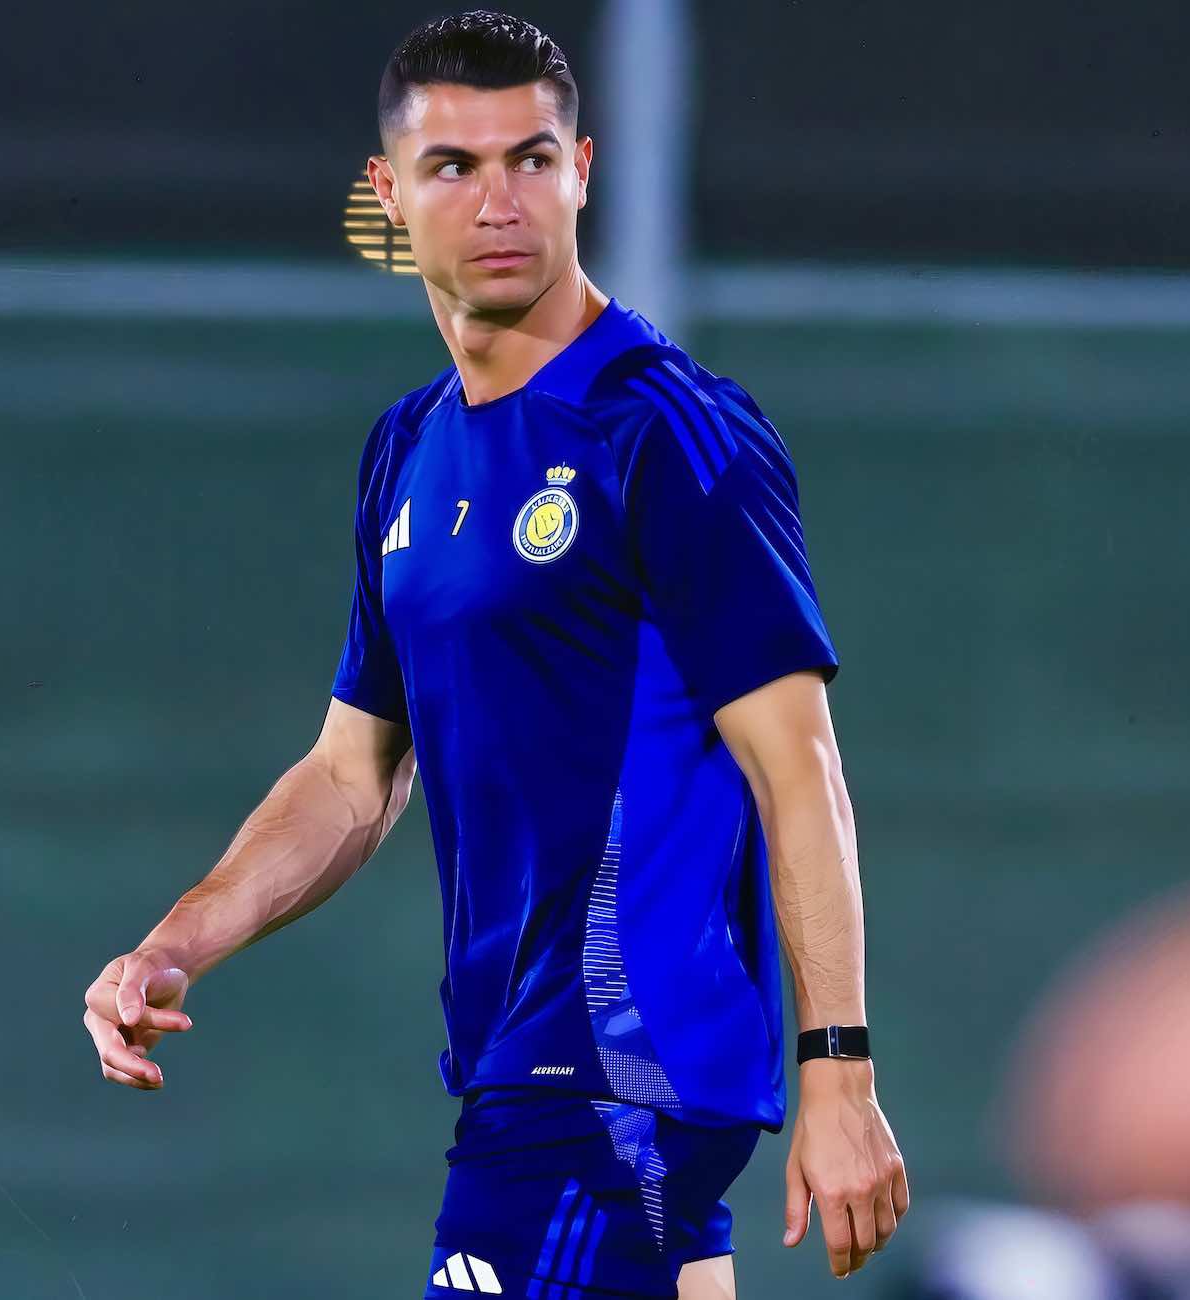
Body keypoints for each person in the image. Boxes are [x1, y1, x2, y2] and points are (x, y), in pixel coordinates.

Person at [81, 10, 908, 1297]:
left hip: (614, 1067)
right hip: (525, 1062)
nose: (499, 201)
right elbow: (351, 775)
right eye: (454, 167)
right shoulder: (407, 450)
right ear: (388, 193)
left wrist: (839, 1073)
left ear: (583, 171)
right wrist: (176, 944)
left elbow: (799, 769)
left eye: (531, 159)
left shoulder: (667, 431)